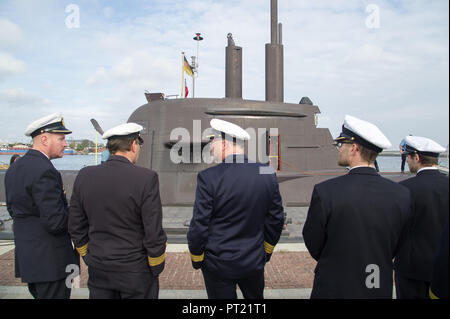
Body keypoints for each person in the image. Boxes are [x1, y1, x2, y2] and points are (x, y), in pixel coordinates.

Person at [302, 115, 412, 299]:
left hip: (334, 284)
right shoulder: (401, 194)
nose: (338, 149)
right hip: (376, 283)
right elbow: (400, 242)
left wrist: (334, 258)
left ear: (353, 148)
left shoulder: (326, 191)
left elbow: (313, 239)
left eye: (341, 145)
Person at [187, 119, 284, 299]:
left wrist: (197, 257)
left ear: (224, 144)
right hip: (253, 260)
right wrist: (265, 252)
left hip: (218, 264)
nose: (211, 149)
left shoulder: (209, 177)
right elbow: (276, 219)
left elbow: (199, 224)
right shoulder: (267, 172)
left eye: (212, 143)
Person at [68, 123, 167, 299]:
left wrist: (88, 256)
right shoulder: (146, 178)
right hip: (135, 271)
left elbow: (75, 225)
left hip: (99, 268)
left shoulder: (85, 175)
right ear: (133, 145)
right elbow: (153, 231)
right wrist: (156, 266)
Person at [4, 113, 79, 299]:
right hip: (51, 263)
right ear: (44, 139)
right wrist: (79, 211)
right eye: (61, 138)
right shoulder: (45, 170)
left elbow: (14, 210)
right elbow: (56, 221)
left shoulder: (16, 167)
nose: (65, 144)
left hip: (30, 259)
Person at [394, 136, 448, 299]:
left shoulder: (404, 189)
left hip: (411, 268)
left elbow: (396, 228)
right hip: (444, 268)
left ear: (416, 157)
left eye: (408, 157)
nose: (407, 162)